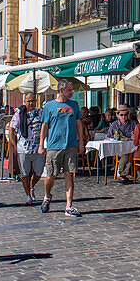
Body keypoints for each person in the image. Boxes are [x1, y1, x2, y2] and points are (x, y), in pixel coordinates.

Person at [38, 80, 85, 217]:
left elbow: (78, 123)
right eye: (69, 90)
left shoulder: (74, 104)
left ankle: (69, 206)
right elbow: (44, 126)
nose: (72, 92)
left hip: (70, 144)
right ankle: (47, 196)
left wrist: (80, 141)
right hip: (54, 145)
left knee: (70, 174)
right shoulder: (49, 106)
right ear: (61, 90)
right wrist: (41, 145)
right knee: (50, 175)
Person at [8, 92, 43, 205]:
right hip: (23, 148)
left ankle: (32, 186)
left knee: (39, 172)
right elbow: (11, 130)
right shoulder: (19, 114)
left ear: (35, 101)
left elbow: (46, 127)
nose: (30, 103)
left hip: (38, 148)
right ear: (24, 102)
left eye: (32, 101)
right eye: (28, 101)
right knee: (25, 173)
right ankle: (28, 195)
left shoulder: (40, 113)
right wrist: (14, 145)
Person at [108, 105, 138, 183]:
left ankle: (124, 173)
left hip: (132, 147)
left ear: (128, 115)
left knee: (132, 153)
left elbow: (138, 134)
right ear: (118, 115)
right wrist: (117, 136)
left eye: (125, 115)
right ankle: (121, 172)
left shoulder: (133, 123)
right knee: (125, 154)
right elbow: (109, 136)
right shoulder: (114, 125)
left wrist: (134, 136)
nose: (123, 117)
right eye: (121, 115)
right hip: (119, 148)